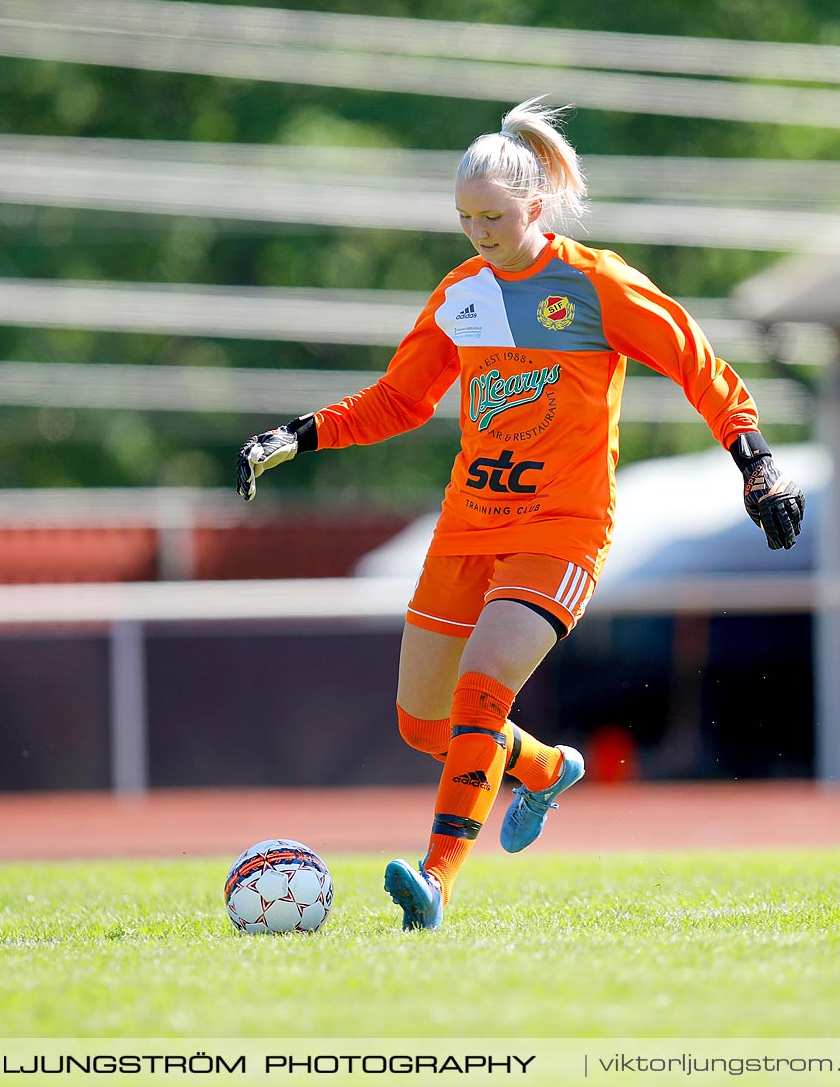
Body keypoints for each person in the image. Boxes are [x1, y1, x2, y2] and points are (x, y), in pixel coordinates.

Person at [237, 97, 803, 930]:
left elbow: (697, 363)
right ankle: (540, 770)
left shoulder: (597, 285)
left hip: (560, 530)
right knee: (420, 723)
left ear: (535, 207)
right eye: (465, 218)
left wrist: (755, 463)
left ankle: (434, 882)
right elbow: (400, 400)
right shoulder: (462, 292)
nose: (478, 233)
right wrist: (302, 433)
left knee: (477, 698)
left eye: (493, 216)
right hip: (468, 526)